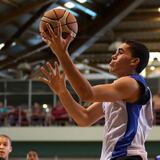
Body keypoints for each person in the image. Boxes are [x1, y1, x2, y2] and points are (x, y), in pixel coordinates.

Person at [39, 22, 154, 160]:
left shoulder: (132, 83)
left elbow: (87, 94)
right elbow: (84, 118)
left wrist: (62, 53)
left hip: (128, 156)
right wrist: (62, 92)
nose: (113, 56)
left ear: (134, 61)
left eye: (120, 52)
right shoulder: (117, 92)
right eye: (115, 52)